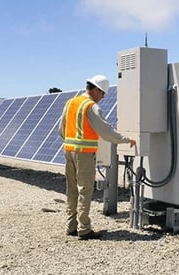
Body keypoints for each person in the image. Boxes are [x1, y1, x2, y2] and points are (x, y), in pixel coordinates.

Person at [59, 74, 136, 240]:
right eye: (102, 94)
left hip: (68, 151)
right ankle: (84, 229)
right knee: (85, 189)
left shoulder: (71, 103)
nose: (102, 98)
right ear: (95, 90)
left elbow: (61, 129)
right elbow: (105, 131)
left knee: (71, 189)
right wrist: (125, 139)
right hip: (84, 154)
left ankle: (71, 226)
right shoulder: (90, 106)